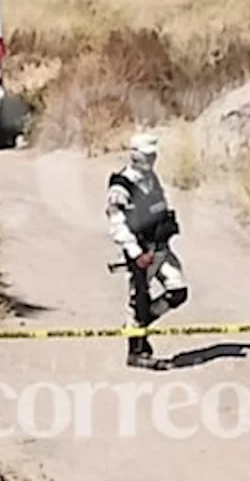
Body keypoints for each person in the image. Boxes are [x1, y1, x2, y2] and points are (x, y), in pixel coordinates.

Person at [107, 132, 187, 370]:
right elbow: (116, 222)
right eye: (147, 155)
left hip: (162, 248)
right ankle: (137, 350)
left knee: (178, 291)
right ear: (136, 155)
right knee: (138, 300)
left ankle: (137, 326)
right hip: (142, 253)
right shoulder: (122, 185)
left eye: (154, 155)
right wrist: (135, 253)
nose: (152, 159)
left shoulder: (151, 178)